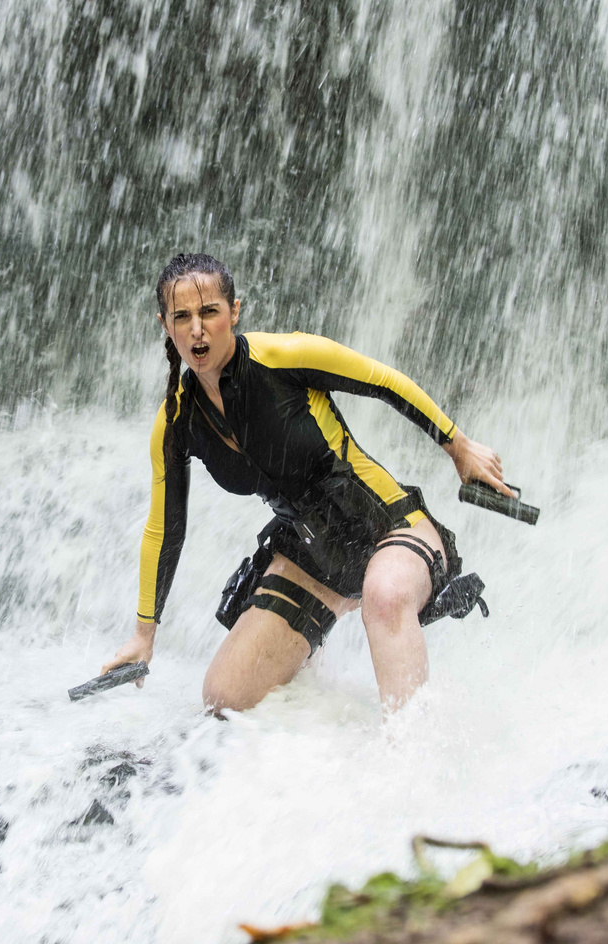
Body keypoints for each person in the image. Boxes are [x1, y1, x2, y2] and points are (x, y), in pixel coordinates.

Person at [102, 253, 516, 713]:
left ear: (233, 312)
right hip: (314, 557)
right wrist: (144, 633)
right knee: (224, 698)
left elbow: (383, 380)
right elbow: (164, 529)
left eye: (209, 312)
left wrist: (459, 446)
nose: (197, 328)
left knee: (384, 595)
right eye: (182, 316)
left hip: (388, 525)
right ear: (166, 324)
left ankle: (411, 757)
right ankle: (317, 731)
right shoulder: (176, 420)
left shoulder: (282, 357)